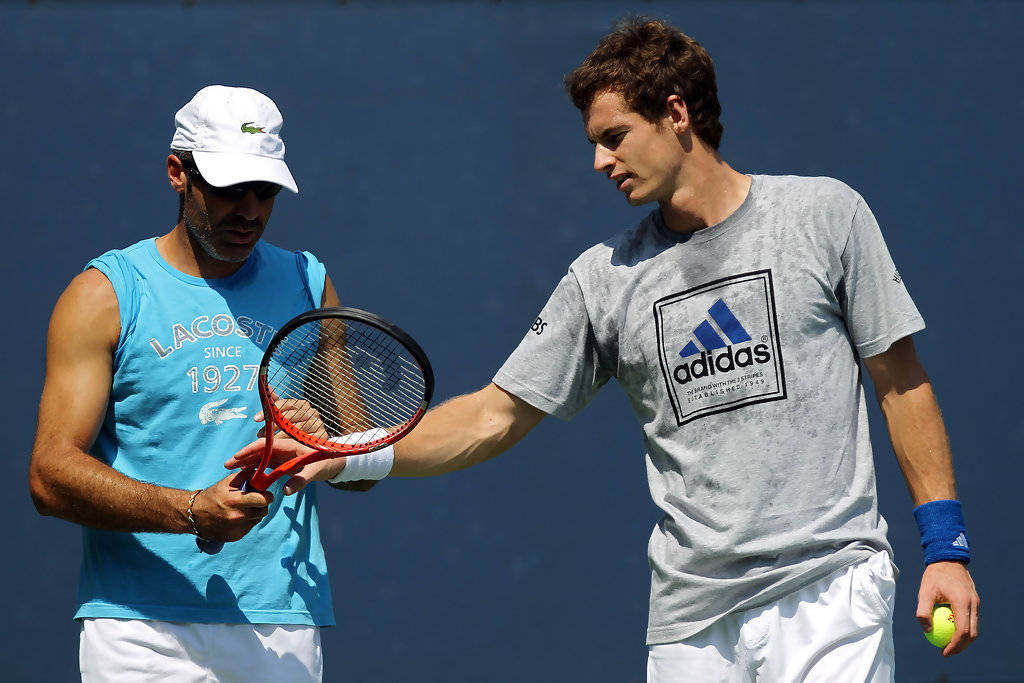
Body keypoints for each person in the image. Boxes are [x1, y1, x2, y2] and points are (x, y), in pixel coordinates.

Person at [230, 18, 980, 681]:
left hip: (828, 587)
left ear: (676, 114)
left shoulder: (826, 215)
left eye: (613, 137)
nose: (598, 162)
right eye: (594, 143)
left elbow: (900, 381)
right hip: (691, 619)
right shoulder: (603, 278)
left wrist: (943, 545)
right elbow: (493, 416)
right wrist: (354, 449)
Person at [28, 85, 368, 682]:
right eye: (230, 188)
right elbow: (50, 476)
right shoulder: (104, 295)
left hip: (281, 620)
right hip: (138, 630)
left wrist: (326, 444)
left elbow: (358, 455)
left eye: (265, 191)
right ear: (177, 173)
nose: (250, 210)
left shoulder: (311, 285)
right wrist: (190, 511)